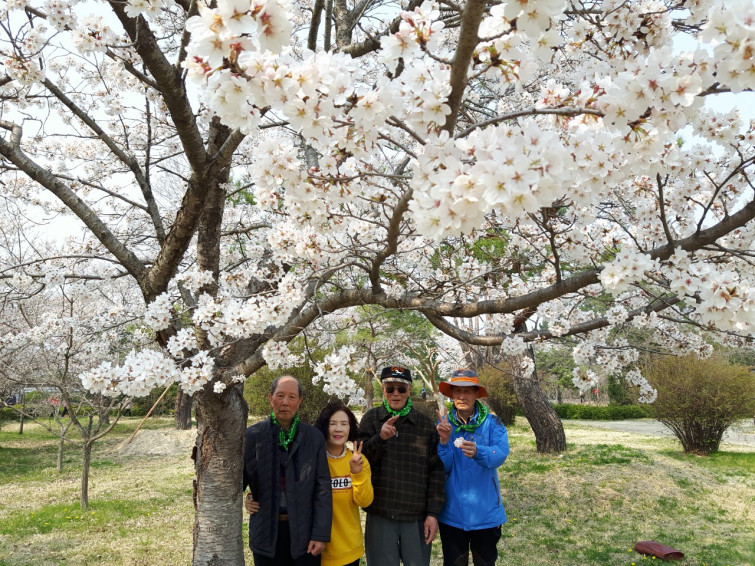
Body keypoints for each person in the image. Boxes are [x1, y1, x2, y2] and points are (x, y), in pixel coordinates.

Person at [358, 365, 446, 566]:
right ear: (383, 390)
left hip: (416, 515)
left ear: (409, 390)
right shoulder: (371, 419)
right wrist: (379, 438)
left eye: (401, 388)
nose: (395, 393)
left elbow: (436, 472)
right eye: (390, 388)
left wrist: (432, 514)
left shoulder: (424, 424)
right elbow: (360, 462)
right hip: (380, 512)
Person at [243, 375, 332, 566]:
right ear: (270, 398)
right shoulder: (253, 436)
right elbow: (238, 482)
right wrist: (247, 499)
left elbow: (323, 489)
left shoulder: (313, 437)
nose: (285, 402)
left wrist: (320, 535)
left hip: (305, 533)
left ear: (299, 401)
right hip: (266, 533)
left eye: (292, 397)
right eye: (280, 395)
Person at [436, 369, 509, 566]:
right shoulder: (443, 424)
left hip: (486, 514)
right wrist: (444, 442)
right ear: (452, 394)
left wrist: (479, 451)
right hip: (452, 514)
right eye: (457, 391)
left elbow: (500, 454)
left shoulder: (492, 423)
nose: (462, 396)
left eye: (467, 391)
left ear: (476, 393)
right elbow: (443, 467)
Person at [314, 401, 374, 566]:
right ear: (324, 427)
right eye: (332, 423)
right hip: (317, 550)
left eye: (344, 424)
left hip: (349, 550)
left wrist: (356, 473)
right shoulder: (313, 460)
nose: (338, 429)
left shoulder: (359, 460)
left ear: (350, 428)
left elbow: (365, 501)